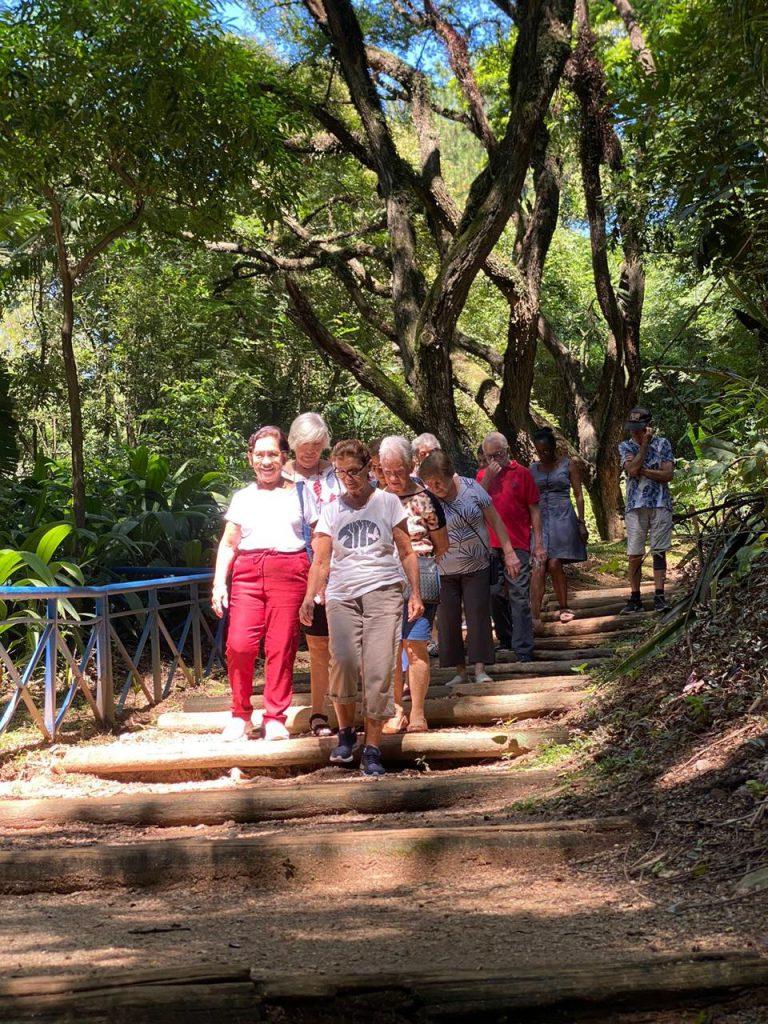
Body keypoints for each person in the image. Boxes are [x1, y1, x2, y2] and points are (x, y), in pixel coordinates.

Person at [300, 439, 423, 776]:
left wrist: (415, 592)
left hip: (383, 590)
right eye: (341, 473)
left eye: (353, 471)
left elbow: (407, 551)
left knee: (379, 669)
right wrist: (311, 596)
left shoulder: (387, 503)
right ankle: (344, 732)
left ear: (370, 467)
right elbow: (321, 561)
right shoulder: (332, 509)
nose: (348, 479)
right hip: (341, 596)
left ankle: (371, 748)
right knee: (343, 661)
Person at [212, 426, 317, 742]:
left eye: (273, 454)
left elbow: (320, 539)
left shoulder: (301, 492)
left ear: (283, 457)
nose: (266, 461)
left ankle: (274, 717)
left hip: (290, 570)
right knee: (239, 644)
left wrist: (317, 587)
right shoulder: (243, 496)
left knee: (281, 646)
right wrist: (220, 584)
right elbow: (229, 543)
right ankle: (240, 714)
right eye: (260, 455)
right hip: (247, 572)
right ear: (250, 458)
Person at [420, 450, 520, 688]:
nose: (435, 487)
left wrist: (509, 552)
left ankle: (480, 668)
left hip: (477, 564)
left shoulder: (472, 488)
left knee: (478, 616)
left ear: (450, 474)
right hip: (442, 568)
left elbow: (495, 521)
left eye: (438, 482)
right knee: (448, 620)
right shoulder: (425, 499)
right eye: (429, 483)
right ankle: (460, 671)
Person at [379, 435, 449, 733]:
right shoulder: (376, 499)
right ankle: (396, 710)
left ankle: (418, 711)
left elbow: (441, 543)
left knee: (415, 644)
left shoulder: (425, 499)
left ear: (411, 466)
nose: (394, 478)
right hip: (383, 578)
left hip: (420, 572)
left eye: (400, 471)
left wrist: (420, 567)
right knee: (390, 647)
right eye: (388, 471)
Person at [283, 412, 343, 737]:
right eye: (305, 445)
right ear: (294, 443)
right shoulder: (281, 477)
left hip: (342, 568)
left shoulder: (335, 474)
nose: (310, 452)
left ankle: (345, 708)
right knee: (318, 645)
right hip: (304, 569)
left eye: (317, 445)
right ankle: (319, 712)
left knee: (343, 645)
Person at [477, 432, 546, 663]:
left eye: (499, 454)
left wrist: (539, 544)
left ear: (507, 451)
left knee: (518, 595)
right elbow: (475, 504)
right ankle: (505, 640)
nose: (495, 460)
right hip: (490, 546)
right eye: (490, 456)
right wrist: (488, 477)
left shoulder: (522, 474)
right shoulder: (481, 476)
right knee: (495, 594)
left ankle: (523, 649)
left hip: (517, 545)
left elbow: (534, 509)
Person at [528, 427, 589, 626]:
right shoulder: (532, 469)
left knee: (554, 563)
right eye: (539, 451)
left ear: (553, 447)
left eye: (546, 450)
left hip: (562, 518)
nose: (543, 454)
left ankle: (564, 606)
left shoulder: (568, 464)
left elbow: (579, 495)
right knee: (538, 565)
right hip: (540, 520)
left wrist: (581, 522)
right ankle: (535, 612)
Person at [618, 407, 675, 613]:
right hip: (635, 506)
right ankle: (635, 597)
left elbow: (668, 475)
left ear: (648, 427)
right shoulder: (625, 446)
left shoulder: (663, 444)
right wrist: (643, 447)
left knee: (659, 550)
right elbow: (631, 470)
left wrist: (642, 471)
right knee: (634, 553)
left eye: (639, 429)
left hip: (660, 503)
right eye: (633, 429)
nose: (635, 432)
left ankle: (659, 595)